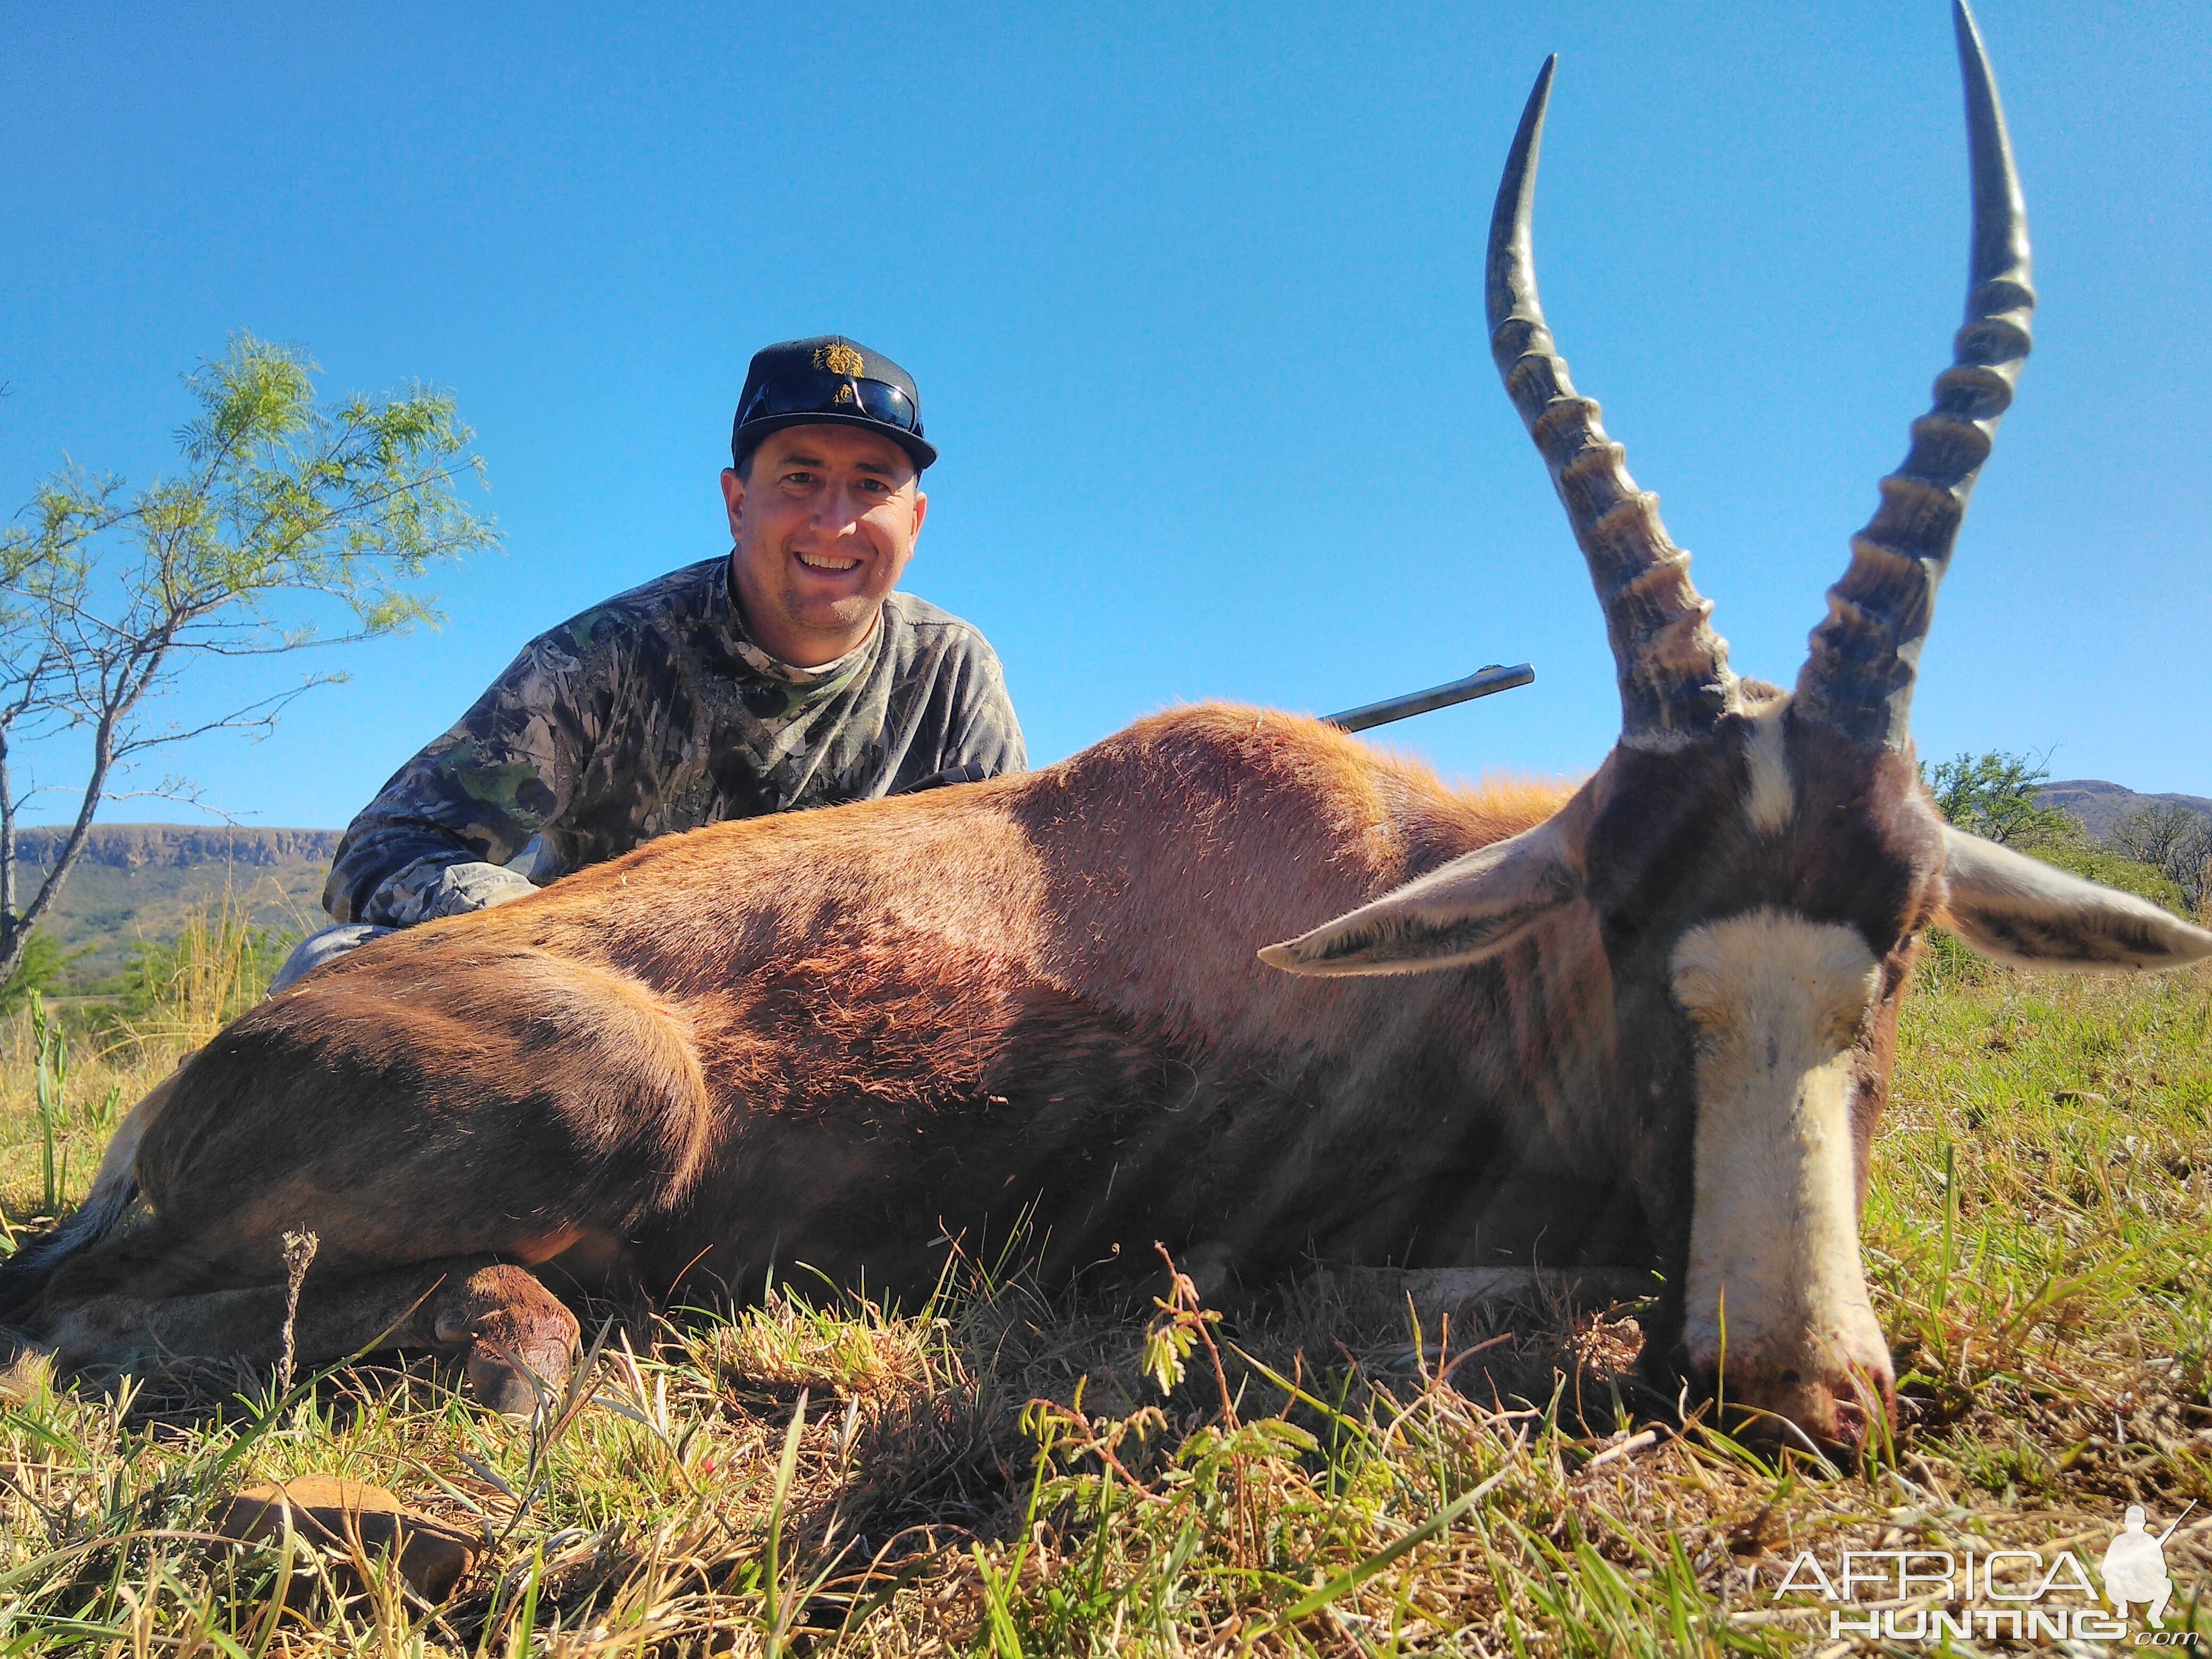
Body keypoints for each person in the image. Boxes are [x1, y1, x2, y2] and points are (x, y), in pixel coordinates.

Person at [272, 336, 1024, 992]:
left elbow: (1003, 909)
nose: (836, 521)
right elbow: (385, 849)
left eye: (872, 484)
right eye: (799, 479)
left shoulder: (951, 676)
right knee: (336, 964)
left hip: (830, 1032)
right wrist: (571, 939)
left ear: (914, 520)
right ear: (736, 504)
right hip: (593, 1013)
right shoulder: (602, 658)